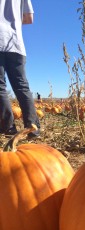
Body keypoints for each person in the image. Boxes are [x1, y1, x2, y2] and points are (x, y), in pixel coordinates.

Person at [0, 0, 40, 138]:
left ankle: (8, 127)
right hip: (15, 42)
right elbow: (29, 18)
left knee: (0, 87)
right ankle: (32, 128)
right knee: (22, 86)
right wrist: (13, 21)